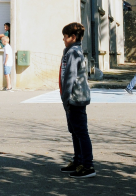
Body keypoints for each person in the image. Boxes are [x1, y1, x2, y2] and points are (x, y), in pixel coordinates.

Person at [60, 21, 95, 178]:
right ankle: (78, 161)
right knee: (75, 131)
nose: (63, 39)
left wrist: (65, 98)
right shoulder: (71, 51)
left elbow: (70, 78)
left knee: (81, 132)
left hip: (75, 98)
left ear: (73, 37)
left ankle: (87, 166)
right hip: (73, 98)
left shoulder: (73, 53)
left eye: (65, 36)